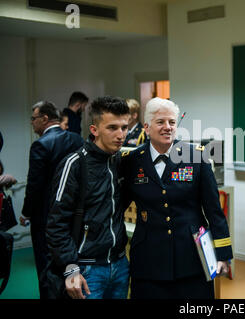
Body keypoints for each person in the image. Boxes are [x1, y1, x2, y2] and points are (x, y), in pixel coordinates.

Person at [120, 97, 233, 299]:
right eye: (160, 122)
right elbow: (118, 207)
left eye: (172, 122)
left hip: (192, 258)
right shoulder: (132, 161)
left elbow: (214, 212)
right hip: (148, 260)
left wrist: (223, 255)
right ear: (146, 127)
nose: (168, 127)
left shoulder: (197, 157)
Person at [46, 96, 130, 299]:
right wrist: (70, 267)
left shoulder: (120, 161)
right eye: (112, 127)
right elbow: (56, 222)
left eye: (124, 127)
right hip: (87, 269)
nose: (121, 135)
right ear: (94, 130)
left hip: (119, 263)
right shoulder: (74, 164)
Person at [19, 101, 84, 299]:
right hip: (74, 214)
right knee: (72, 265)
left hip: (46, 217)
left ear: (45, 119)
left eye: (34, 118)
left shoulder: (40, 145)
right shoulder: (76, 139)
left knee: (46, 268)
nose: (32, 123)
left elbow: (35, 185)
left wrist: (26, 212)